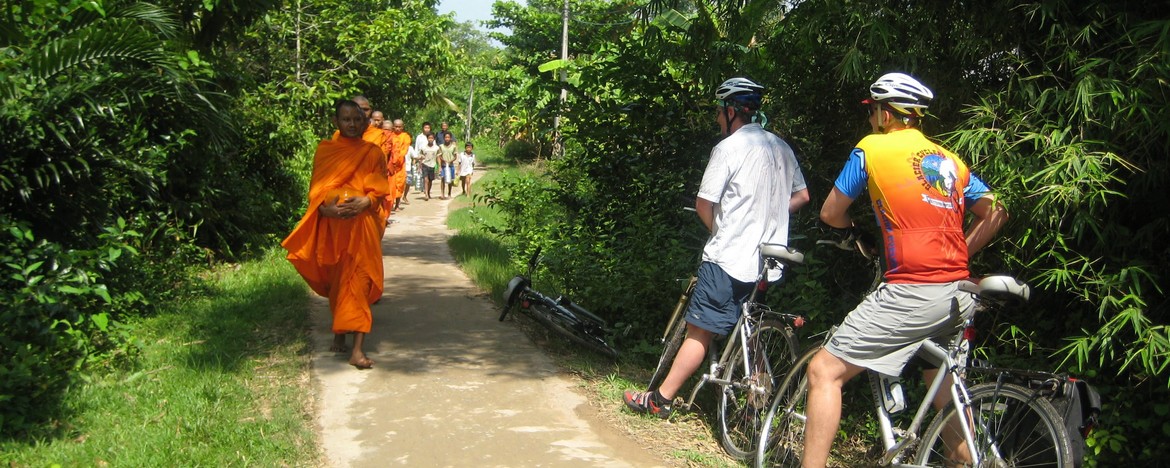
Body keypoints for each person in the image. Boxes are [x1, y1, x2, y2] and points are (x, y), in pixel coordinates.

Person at [801, 72, 1009, 467]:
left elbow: (830, 212)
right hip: (960, 291)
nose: (869, 119)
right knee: (941, 387)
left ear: (885, 114)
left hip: (914, 288)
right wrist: (960, 249)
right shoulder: (948, 161)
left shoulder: (872, 149)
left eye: (872, 111)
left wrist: (856, 234)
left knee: (824, 371)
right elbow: (996, 211)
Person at [623, 77, 809, 418]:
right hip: (767, 260)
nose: (717, 119)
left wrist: (722, 230)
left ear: (732, 111)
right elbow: (802, 196)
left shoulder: (729, 148)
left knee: (701, 329)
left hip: (728, 256)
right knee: (749, 326)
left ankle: (660, 399)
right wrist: (769, 216)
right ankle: (756, 403)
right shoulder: (781, 148)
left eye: (719, 112)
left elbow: (704, 204)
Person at [282, 99, 391, 370]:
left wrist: (368, 202)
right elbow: (316, 189)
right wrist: (325, 211)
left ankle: (357, 350)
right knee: (338, 278)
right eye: (346, 119)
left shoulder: (372, 152)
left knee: (361, 278)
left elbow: (378, 188)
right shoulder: (326, 150)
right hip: (334, 226)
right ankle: (339, 332)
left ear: (365, 122)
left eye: (357, 119)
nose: (352, 124)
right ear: (336, 122)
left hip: (362, 224)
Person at [389, 119, 412, 209]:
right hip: (390, 164)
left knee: (400, 184)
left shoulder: (405, 136)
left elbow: (404, 150)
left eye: (400, 127)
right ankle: (390, 204)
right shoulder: (390, 136)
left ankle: (397, 205)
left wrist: (397, 160)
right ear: (393, 127)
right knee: (391, 185)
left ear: (403, 127)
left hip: (400, 165)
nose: (398, 128)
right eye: (396, 126)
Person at [417, 132, 440, 200]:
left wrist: (439, 166)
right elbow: (421, 156)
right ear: (427, 139)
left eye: (432, 138)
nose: (430, 139)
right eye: (429, 138)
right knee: (426, 179)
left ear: (434, 139)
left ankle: (428, 192)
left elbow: (438, 157)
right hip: (425, 164)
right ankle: (426, 194)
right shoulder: (423, 147)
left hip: (432, 165)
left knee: (430, 180)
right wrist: (419, 165)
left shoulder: (436, 148)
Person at [438, 132, 458, 199]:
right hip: (444, 165)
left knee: (450, 180)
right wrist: (443, 161)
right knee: (443, 179)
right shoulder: (441, 146)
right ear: (444, 138)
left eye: (448, 137)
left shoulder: (453, 147)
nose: (447, 139)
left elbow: (455, 156)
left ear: (450, 138)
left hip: (450, 165)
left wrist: (450, 161)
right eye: (446, 137)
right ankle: (442, 193)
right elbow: (439, 155)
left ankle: (449, 193)